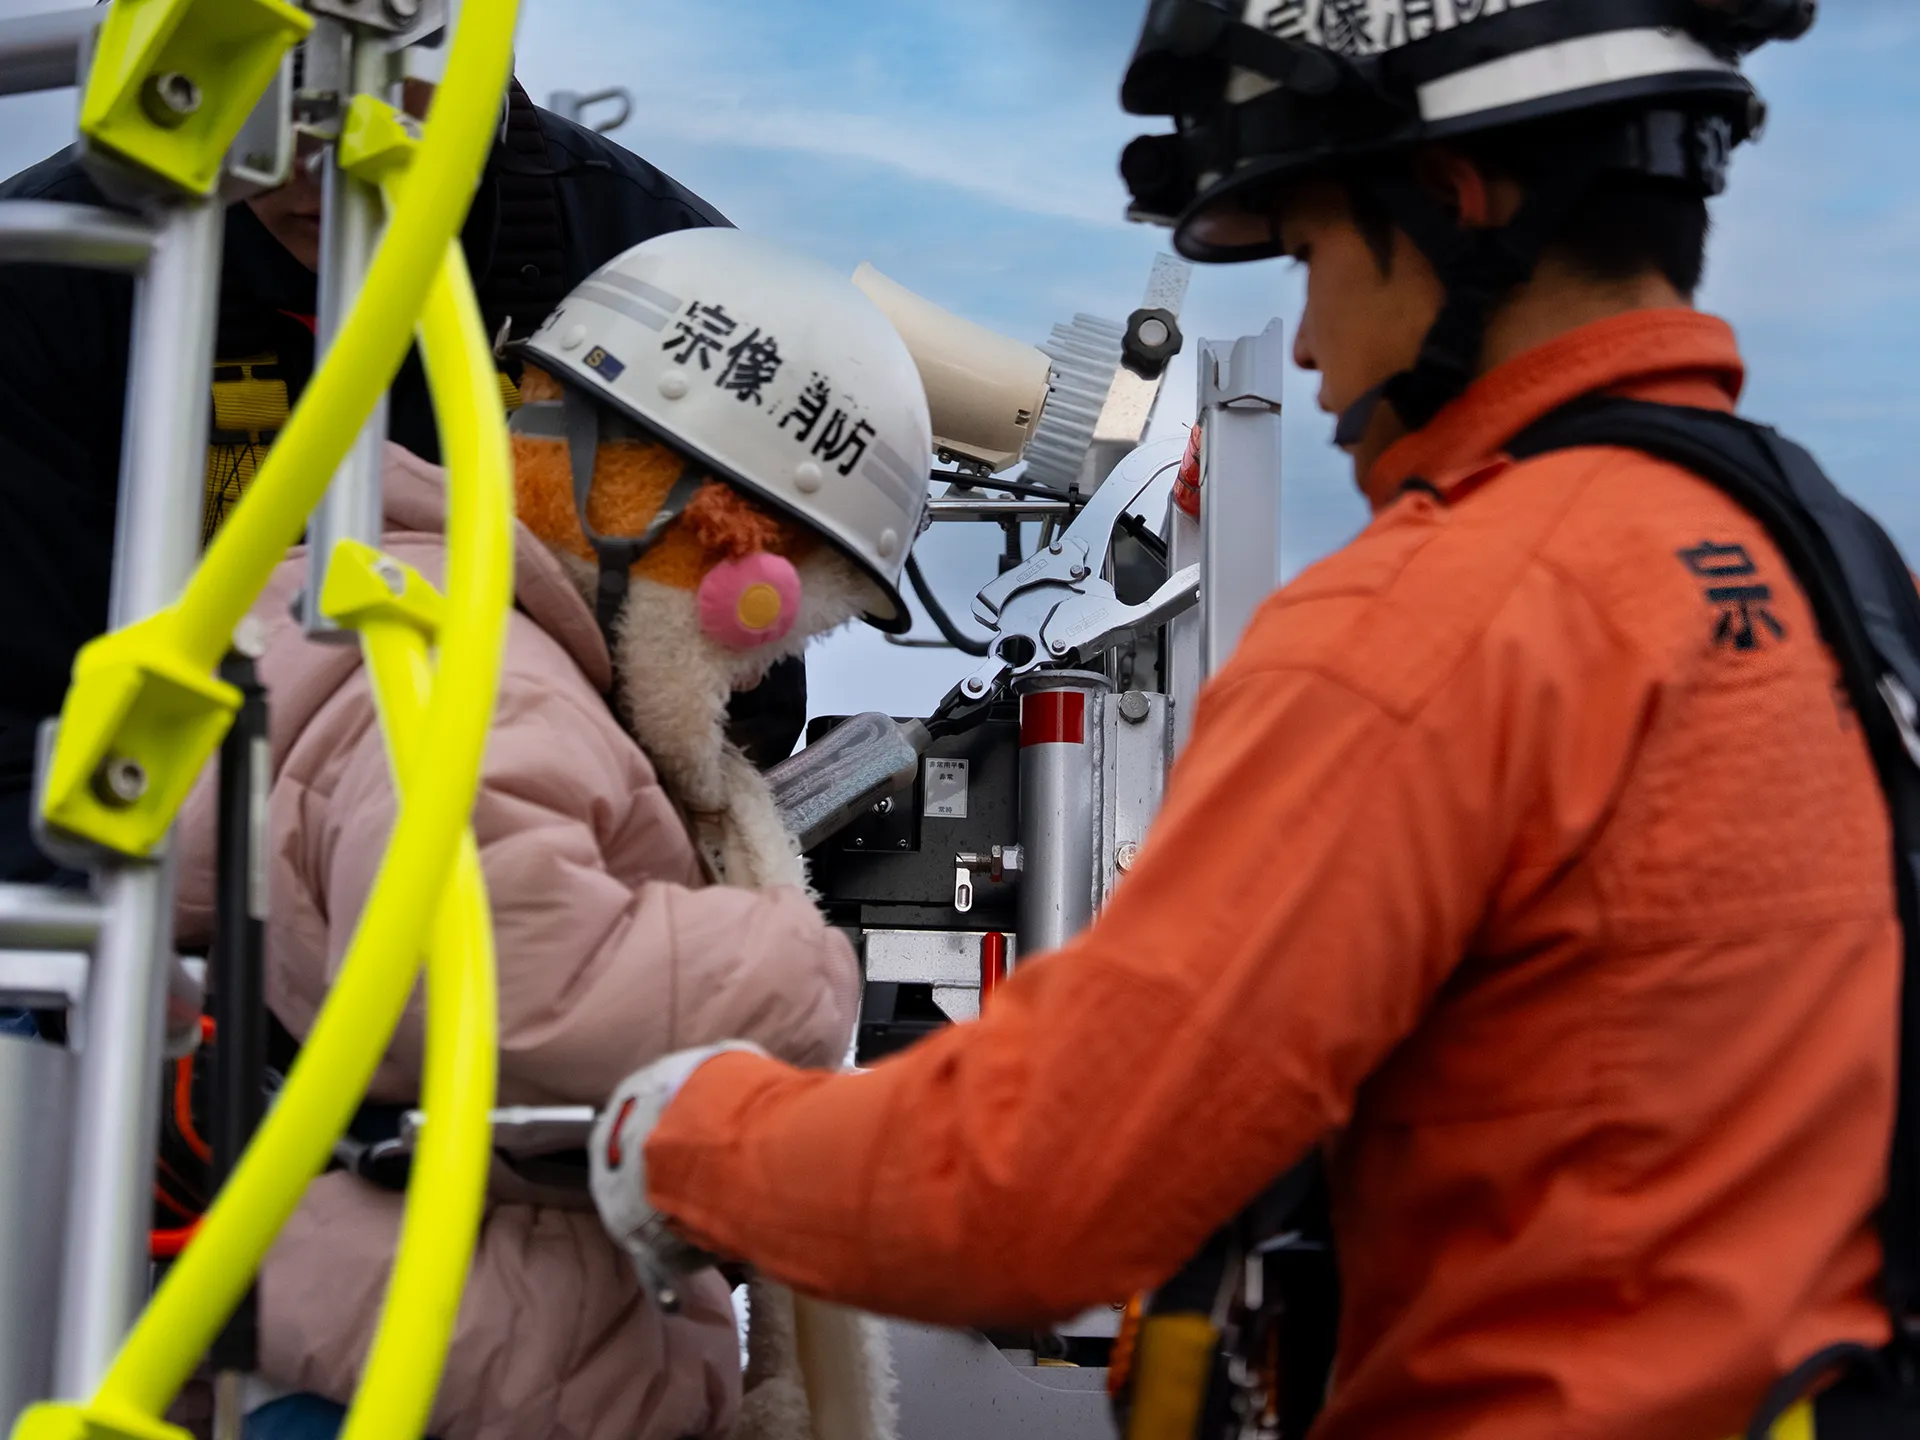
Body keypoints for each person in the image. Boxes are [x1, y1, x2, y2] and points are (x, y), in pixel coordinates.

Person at [584, 4, 1907, 1438]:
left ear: (1459, 210)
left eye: (1317, 252)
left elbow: (1043, 1187)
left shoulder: (1438, 616)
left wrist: (683, 1137)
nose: (1314, 346)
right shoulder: (1831, 561)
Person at [170, 227, 932, 1440]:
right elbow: (505, 978)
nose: (745, 677)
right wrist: (797, 968)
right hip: (432, 1366)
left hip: (454, 1345)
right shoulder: (488, 689)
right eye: (770, 629)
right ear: (695, 531)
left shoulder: (454, 649)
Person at [0, 75, 806, 888]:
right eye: (276, 81)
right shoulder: (39, 271)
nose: (324, 153)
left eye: (386, 78)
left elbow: (733, 716)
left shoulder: (667, 285)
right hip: (145, 906)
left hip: (552, 883)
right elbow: (11, 745)